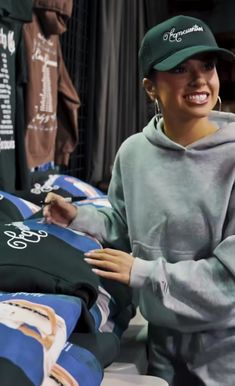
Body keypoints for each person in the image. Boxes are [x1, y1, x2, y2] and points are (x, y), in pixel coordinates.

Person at [43, 14, 235, 386]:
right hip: (160, 347)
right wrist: (77, 217)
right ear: (150, 86)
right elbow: (123, 225)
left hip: (225, 353)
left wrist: (142, 273)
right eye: (179, 68)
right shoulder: (133, 153)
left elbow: (229, 281)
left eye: (207, 65)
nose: (199, 79)